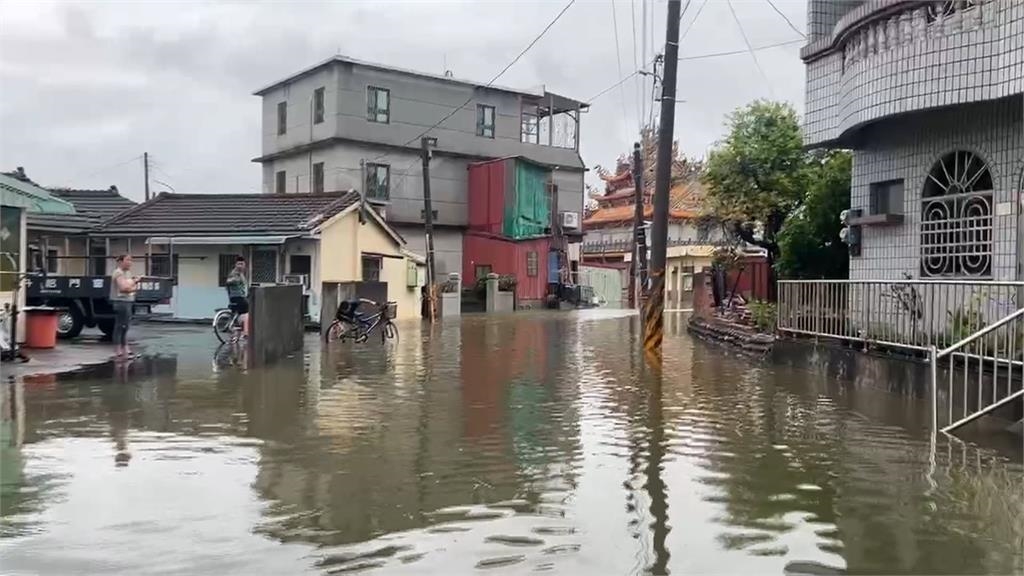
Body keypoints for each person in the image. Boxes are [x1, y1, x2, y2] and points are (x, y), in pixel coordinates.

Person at [110, 254, 138, 358]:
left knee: (125, 326)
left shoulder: (127, 273)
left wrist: (132, 285)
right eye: (127, 260)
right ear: (121, 261)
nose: (130, 262)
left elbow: (129, 287)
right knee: (120, 326)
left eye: (131, 260)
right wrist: (134, 282)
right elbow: (124, 288)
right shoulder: (118, 272)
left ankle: (125, 348)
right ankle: (119, 350)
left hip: (127, 301)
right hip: (120, 302)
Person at [225, 256, 249, 337]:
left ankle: (237, 329)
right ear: (236, 264)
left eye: (242, 264)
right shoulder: (235, 273)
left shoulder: (241, 274)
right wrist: (234, 280)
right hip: (238, 297)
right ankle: (246, 332)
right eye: (239, 264)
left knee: (239, 313)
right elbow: (228, 282)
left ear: (244, 265)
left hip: (238, 297)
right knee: (246, 312)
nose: (240, 266)